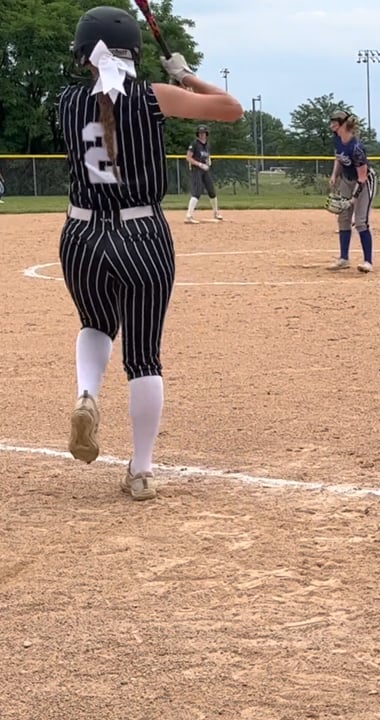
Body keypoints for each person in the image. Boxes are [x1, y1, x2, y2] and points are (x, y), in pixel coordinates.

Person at [60, 6, 242, 500]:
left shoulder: (66, 102)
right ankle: (140, 471)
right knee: (143, 358)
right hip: (142, 234)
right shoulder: (153, 96)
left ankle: (86, 393)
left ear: (84, 55)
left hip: (80, 235)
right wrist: (185, 75)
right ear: (135, 53)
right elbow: (231, 108)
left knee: (96, 323)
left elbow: (106, 103)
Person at [327, 110, 376, 273]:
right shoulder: (337, 139)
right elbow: (338, 157)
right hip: (346, 180)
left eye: (335, 122)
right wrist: (334, 175)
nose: (332, 125)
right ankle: (343, 259)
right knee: (343, 218)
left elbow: (362, 177)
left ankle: (368, 262)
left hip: (364, 182)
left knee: (361, 221)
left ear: (343, 125)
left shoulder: (356, 148)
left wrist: (354, 199)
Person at [184, 124, 223, 223]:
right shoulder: (194, 144)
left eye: (204, 133)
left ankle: (216, 213)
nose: (202, 135)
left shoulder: (207, 145)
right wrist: (200, 164)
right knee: (197, 191)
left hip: (205, 170)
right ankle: (189, 216)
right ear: (197, 134)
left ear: (206, 134)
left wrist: (208, 160)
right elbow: (188, 158)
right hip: (196, 169)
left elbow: (206, 156)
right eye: (200, 133)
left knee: (211, 191)